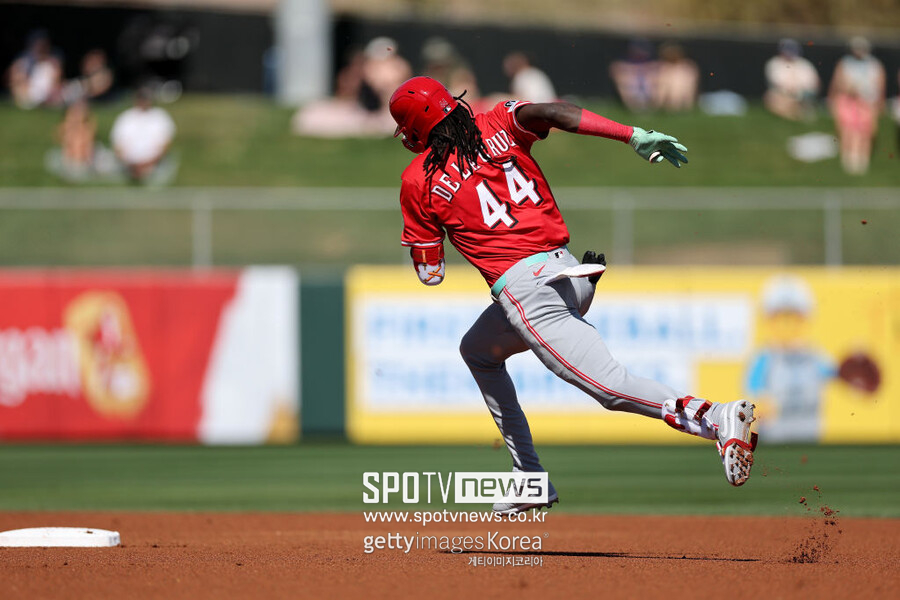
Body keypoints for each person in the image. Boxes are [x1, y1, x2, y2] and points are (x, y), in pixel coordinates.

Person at [389, 76, 757, 514]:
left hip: (529, 290)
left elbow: (431, 274)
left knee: (610, 387)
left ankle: (712, 416)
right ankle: (529, 478)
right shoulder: (498, 121)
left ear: (414, 128)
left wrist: (434, 241)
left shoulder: (417, 179)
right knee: (478, 350)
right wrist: (632, 134)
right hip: (570, 271)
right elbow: (555, 112)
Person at [828, 36, 886, 175]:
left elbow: (880, 85)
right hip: (849, 100)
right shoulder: (845, 63)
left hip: (868, 102)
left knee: (865, 131)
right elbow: (838, 83)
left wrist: (879, 102)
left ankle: (862, 160)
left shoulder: (874, 65)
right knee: (848, 129)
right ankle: (848, 160)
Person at [110, 87, 176, 184]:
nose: (143, 101)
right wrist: (130, 165)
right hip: (129, 165)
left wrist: (148, 163)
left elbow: (166, 144)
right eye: (141, 98)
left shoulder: (160, 116)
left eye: (145, 98)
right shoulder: (125, 118)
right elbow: (117, 147)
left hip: (154, 164)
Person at [764, 38, 820, 121]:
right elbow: (776, 83)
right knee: (773, 98)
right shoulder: (774, 63)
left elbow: (815, 84)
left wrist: (800, 93)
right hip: (782, 95)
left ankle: (799, 111)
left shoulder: (804, 64)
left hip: (803, 95)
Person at [7, 30, 63, 109]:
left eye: (43, 45)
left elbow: (57, 81)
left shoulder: (53, 61)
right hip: (28, 94)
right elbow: (14, 79)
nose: (41, 48)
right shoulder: (24, 59)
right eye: (39, 44)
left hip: (48, 95)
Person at [609, 38, 657, 112]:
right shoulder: (624, 61)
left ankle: (652, 107)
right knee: (624, 79)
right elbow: (615, 68)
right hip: (632, 87)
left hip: (648, 88)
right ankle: (633, 108)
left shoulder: (651, 62)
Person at [653, 42, 699, 112]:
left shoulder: (687, 66)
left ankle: (681, 105)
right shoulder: (662, 67)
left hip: (683, 97)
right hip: (666, 99)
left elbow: (691, 85)